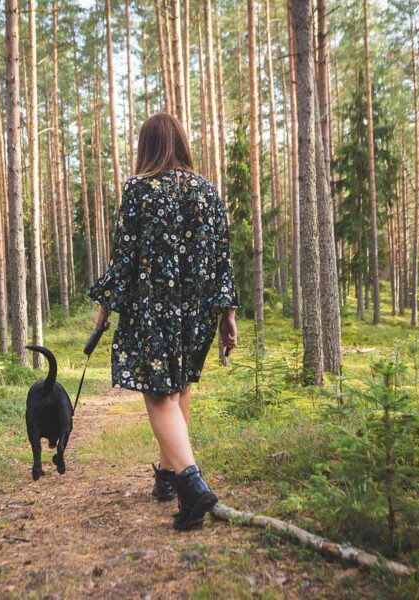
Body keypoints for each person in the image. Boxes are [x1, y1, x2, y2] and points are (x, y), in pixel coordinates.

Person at [88, 113, 238, 531]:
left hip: (153, 305)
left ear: (147, 146)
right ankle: (170, 476)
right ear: (182, 144)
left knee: (158, 394)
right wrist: (228, 314)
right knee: (179, 385)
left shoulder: (139, 190)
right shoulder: (208, 190)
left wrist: (106, 307)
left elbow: (124, 257)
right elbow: (223, 260)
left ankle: (192, 483)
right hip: (197, 308)